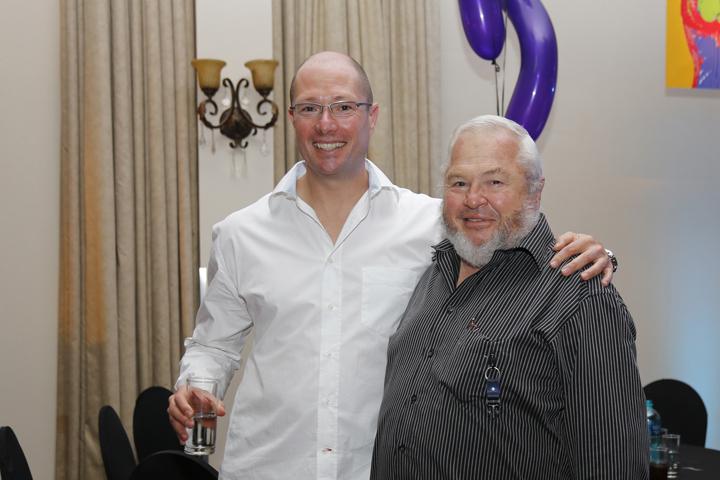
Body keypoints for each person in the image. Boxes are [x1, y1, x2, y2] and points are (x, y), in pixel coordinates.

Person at [168, 52, 615, 480]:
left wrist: (600, 255)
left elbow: (511, 238)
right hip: (267, 467)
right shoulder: (240, 233)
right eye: (310, 107)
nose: (326, 123)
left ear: (372, 116)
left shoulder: (432, 224)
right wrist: (197, 386)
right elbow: (213, 346)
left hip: (376, 470)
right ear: (291, 118)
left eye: (344, 106)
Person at [370, 115, 648, 479]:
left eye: (495, 181)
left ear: (535, 191)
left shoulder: (579, 298)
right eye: (459, 182)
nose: (473, 199)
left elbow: (614, 465)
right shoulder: (433, 271)